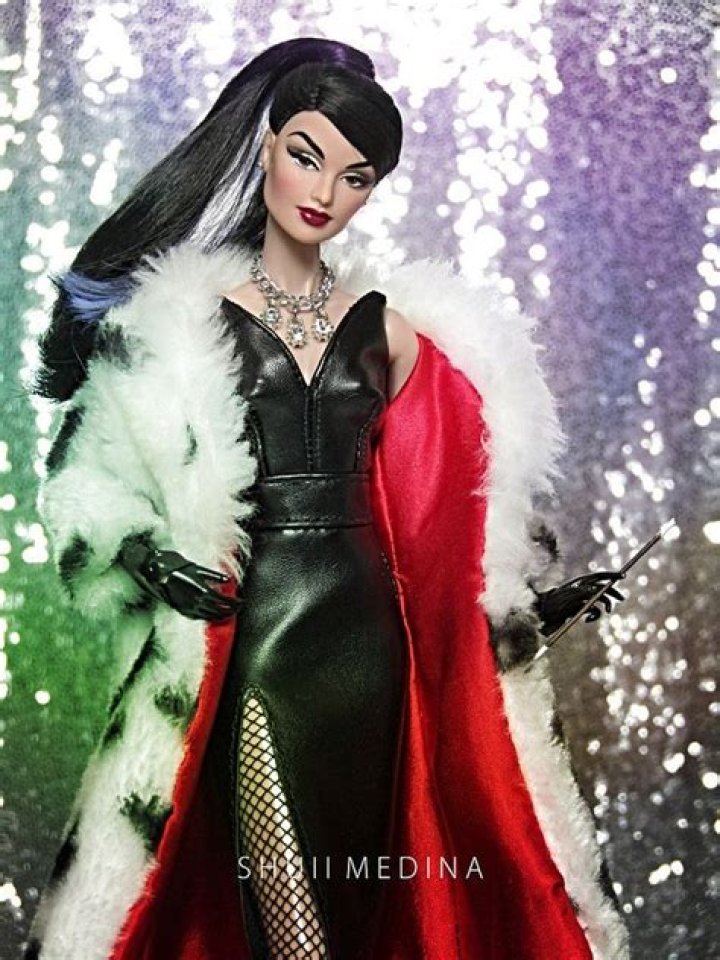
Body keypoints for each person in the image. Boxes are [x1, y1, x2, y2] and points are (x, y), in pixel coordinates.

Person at [25, 37, 630, 960]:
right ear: (267, 144)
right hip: (253, 641)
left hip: (369, 650)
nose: (323, 192)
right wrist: (145, 556)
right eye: (306, 156)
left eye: (355, 177)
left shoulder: (393, 330)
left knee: (354, 922)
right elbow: (87, 483)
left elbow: (448, 499)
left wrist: (524, 604)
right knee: (289, 930)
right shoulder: (176, 324)